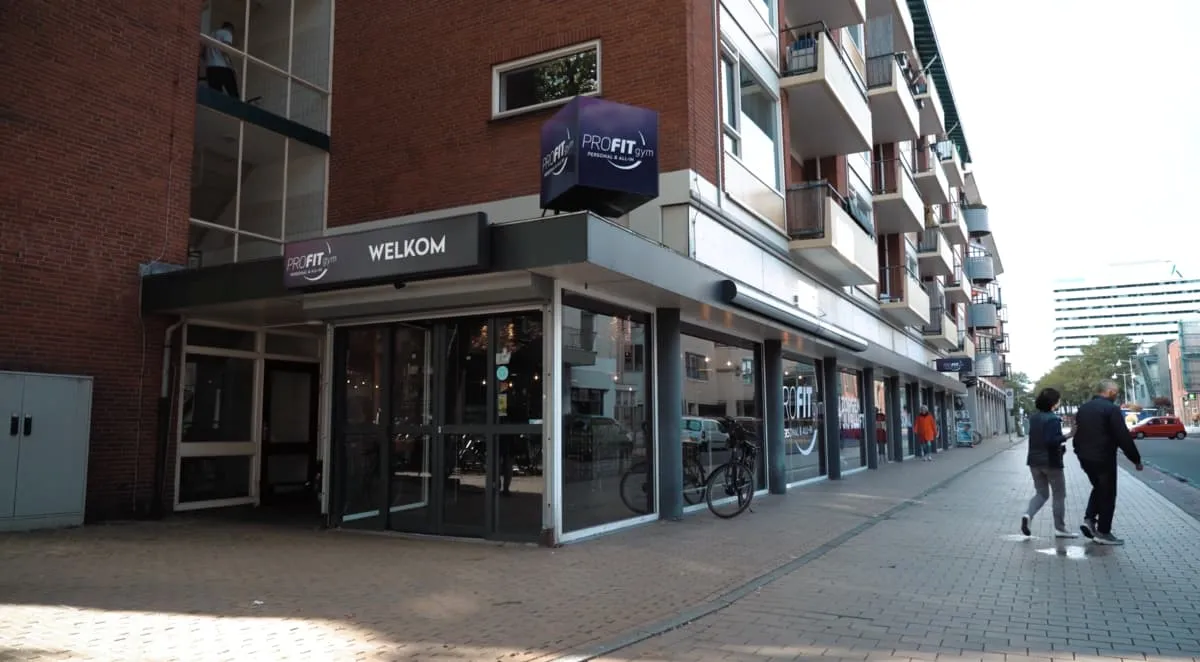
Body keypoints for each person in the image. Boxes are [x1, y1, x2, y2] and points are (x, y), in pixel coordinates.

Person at [1073, 380, 1143, 545]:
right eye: (1116, 392)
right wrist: (1136, 459)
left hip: (1085, 457)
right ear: (1110, 392)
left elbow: (1077, 432)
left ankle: (1089, 519)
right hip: (1104, 457)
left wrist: (1078, 451)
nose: (1116, 395)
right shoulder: (1111, 409)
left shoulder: (1083, 408)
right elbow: (1122, 436)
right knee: (1108, 494)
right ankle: (1103, 532)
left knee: (1099, 487)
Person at [1021, 388, 1078, 538]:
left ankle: (1028, 515)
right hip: (1051, 462)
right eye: (1058, 400)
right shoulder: (1053, 419)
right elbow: (1051, 441)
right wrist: (1069, 435)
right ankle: (1060, 528)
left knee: (1041, 493)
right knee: (1059, 495)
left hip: (1034, 461)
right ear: (1053, 403)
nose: (1059, 402)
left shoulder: (1034, 418)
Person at [204, 21, 240, 98]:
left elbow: (203, 52)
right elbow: (224, 50)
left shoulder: (211, 35)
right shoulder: (227, 33)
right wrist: (232, 67)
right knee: (233, 94)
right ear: (230, 29)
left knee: (215, 96)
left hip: (210, 68)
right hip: (223, 68)